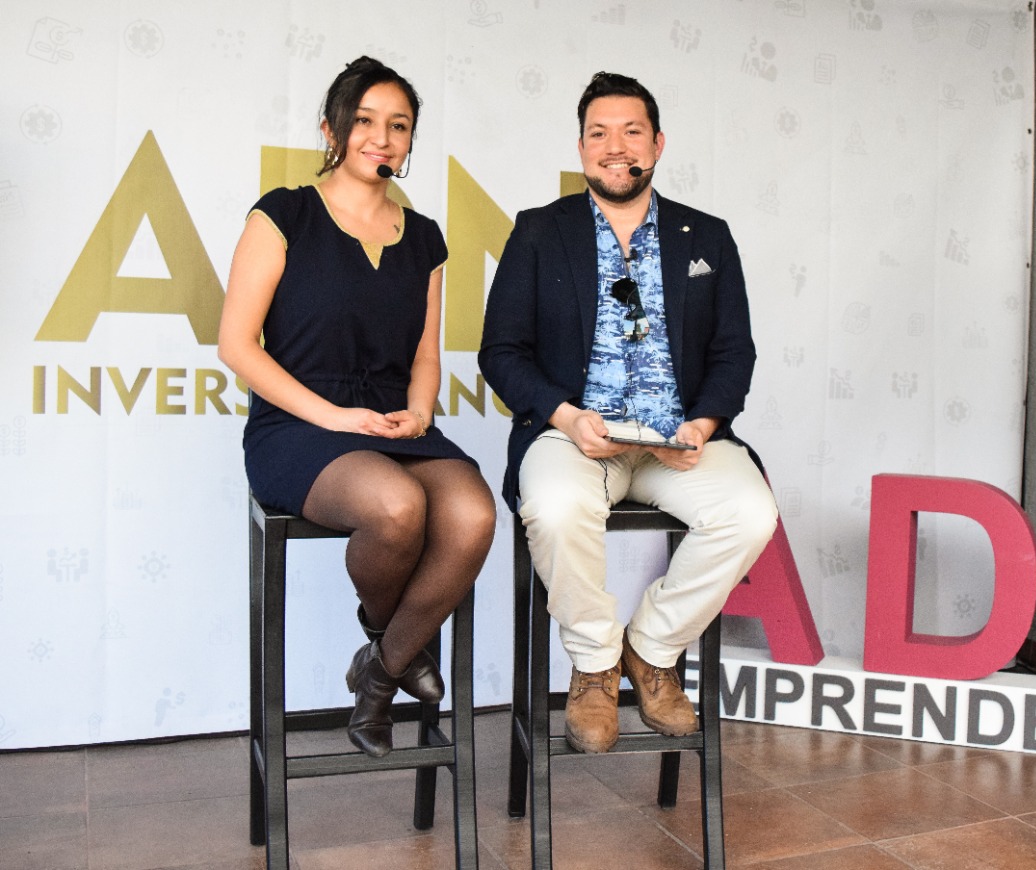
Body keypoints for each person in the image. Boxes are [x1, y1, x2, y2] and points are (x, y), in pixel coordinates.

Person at [479, 71, 778, 754]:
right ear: (581, 148)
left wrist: (701, 425)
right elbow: (502, 352)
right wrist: (565, 417)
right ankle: (593, 665)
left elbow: (734, 352)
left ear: (658, 144)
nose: (616, 147)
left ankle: (651, 649)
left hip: (679, 443)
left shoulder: (707, 236)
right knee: (554, 506)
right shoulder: (539, 232)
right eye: (599, 133)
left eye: (632, 131)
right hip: (576, 436)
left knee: (750, 513)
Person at [218, 56, 495, 758]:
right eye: (366, 121)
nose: (382, 137)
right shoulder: (283, 214)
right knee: (397, 507)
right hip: (298, 426)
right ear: (331, 130)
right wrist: (334, 418)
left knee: (472, 514)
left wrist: (421, 410)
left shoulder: (425, 238)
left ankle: (379, 671)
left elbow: (425, 355)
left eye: (399, 125)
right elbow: (236, 345)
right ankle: (395, 643)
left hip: (392, 421)